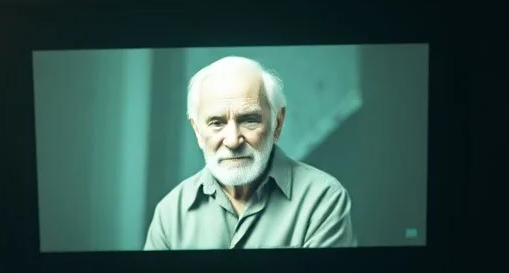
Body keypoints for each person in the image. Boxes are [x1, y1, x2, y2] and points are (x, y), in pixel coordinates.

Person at [143, 56, 354, 249]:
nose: (233, 141)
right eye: (217, 123)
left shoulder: (324, 199)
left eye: (249, 120)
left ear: (277, 124)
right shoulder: (170, 213)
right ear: (197, 131)